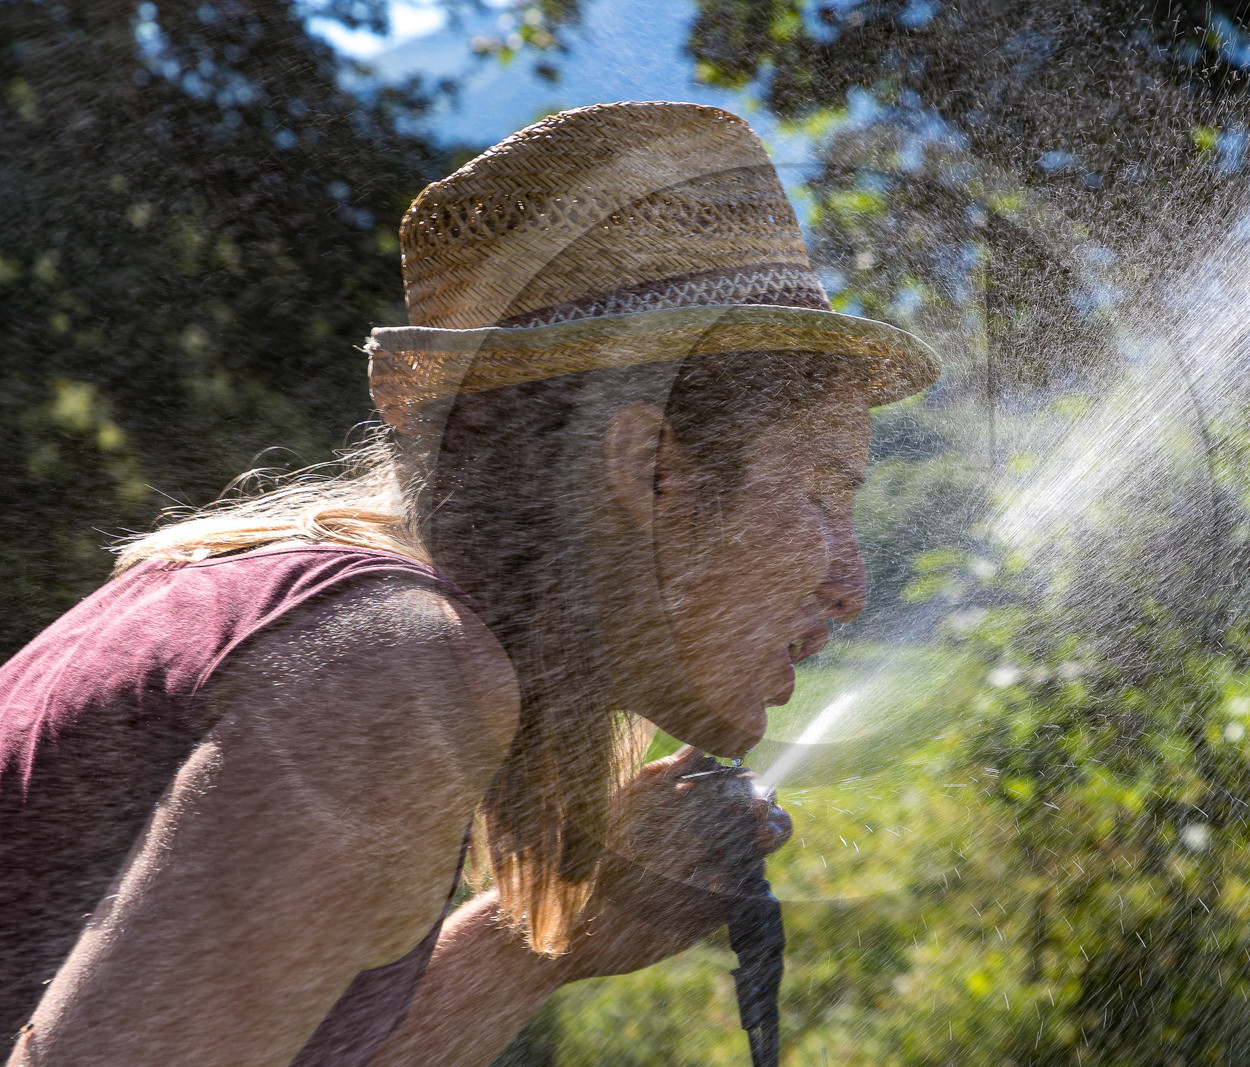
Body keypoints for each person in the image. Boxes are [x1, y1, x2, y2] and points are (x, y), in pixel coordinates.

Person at [0, 101, 938, 1066]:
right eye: (825, 494)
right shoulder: (388, 673)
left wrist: (531, 949)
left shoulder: (301, 607)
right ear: (653, 468)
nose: (851, 586)